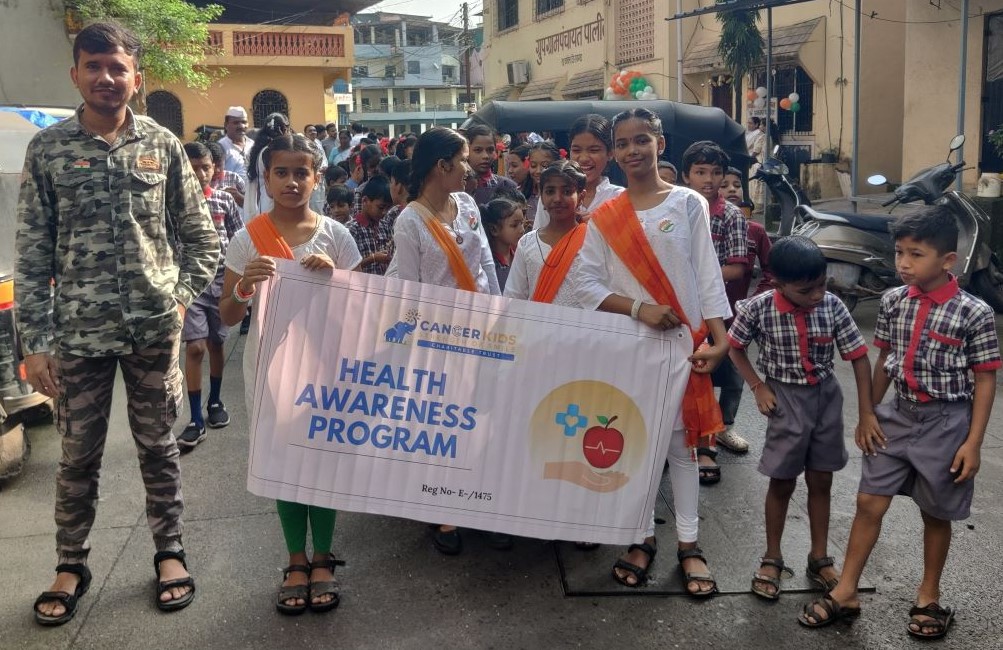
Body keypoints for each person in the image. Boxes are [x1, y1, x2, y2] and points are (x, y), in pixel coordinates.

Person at [16, 22, 220, 625]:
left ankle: (169, 552)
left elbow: (201, 238)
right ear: (75, 73)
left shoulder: (162, 144)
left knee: (159, 447)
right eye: (94, 65)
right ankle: (70, 564)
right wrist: (36, 343)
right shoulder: (48, 149)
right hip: (78, 335)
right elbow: (31, 253)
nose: (106, 77)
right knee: (78, 456)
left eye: (118, 67)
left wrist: (178, 301)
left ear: (137, 77)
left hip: (152, 332)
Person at [799, 206, 1001, 640]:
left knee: (936, 512)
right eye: (899, 253)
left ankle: (929, 596)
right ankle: (846, 590)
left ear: (948, 260)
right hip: (897, 417)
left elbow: (985, 378)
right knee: (868, 503)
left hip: (947, 423)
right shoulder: (893, 301)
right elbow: (885, 360)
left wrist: (973, 443)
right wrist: (868, 413)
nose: (904, 263)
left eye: (916, 254)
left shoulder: (974, 312)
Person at [574, 108, 730, 596]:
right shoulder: (604, 217)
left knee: (682, 449)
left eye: (641, 140)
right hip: (627, 346)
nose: (632, 151)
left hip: (683, 346)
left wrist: (720, 338)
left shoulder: (687, 203)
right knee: (635, 447)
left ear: (659, 144)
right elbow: (585, 284)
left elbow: (706, 273)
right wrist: (639, 308)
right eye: (622, 143)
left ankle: (689, 543)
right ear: (614, 153)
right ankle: (640, 537)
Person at [220, 134, 362, 615]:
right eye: (281, 172)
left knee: (320, 461)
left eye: (302, 172)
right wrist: (244, 285)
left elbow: (362, 312)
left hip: (326, 368)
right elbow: (226, 315)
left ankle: (323, 558)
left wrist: (336, 278)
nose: (291, 181)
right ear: (266, 178)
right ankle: (295, 560)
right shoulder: (248, 239)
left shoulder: (336, 237)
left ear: (316, 178)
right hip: (270, 367)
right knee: (283, 464)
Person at [728, 236, 877, 601]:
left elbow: (859, 357)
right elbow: (734, 348)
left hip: (826, 398)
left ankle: (819, 557)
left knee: (821, 479)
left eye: (822, 284)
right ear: (778, 283)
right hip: (784, 400)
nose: (817, 295)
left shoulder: (832, 306)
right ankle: (772, 557)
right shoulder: (758, 309)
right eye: (806, 290)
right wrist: (758, 387)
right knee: (781, 481)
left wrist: (866, 413)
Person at [384, 127, 504, 554]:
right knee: (441, 425)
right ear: (442, 165)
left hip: (481, 330)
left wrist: (501, 316)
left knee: (482, 419)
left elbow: (486, 264)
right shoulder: (410, 221)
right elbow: (410, 291)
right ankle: (441, 508)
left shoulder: (467, 205)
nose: (469, 168)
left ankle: (479, 501)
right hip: (437, 340)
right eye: (464, 159)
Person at [681, 141, 751, 481]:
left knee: (724, 374)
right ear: (686, 176)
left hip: (718, 310)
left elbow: (737, 268)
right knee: (686, 374)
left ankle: (716, 435)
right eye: (700, 172)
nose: (708, 179)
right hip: (680, 309)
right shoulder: (676, 209)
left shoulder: (731, 215)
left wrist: (694, 278)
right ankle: (683, 439)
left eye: (715, 172)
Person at [177, 142, 244, 449]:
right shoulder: (174, 204)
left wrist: (239, 280)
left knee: (217, 343)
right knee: (195, 348)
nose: (200, 174)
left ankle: (215, 401)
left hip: (221, 282)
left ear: (214, 169)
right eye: (193, 169)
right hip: (190, 284)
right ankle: (194, 418)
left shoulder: (223, 200)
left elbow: (239, 237)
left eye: (205, 167)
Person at [505, 160, 585, 306]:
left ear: (581, 197)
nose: (557, 199)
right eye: (550, 191)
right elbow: (513, 297)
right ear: (541, 196)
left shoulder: (592, 242)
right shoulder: (527, 243)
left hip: (583, 321)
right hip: (535, 321)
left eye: (567, 192)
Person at [534, 115, 623, 231]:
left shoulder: (619, 197)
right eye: (576, 150)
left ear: (610, 153)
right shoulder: (552, 194)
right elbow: (538, 238)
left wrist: (599, 227)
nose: (583, 158)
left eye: (594, 150)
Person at [722, 167, 773, 299]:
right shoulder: (702, 225)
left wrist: (753, 302)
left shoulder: (756, 231)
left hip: (738, 309)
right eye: (724, 185)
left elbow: (773, 272)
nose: (732, 189)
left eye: (737, 185)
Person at [245, 112, 290, 220]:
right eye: (287, 129)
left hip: (263, 200)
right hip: (275, 200)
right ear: (283, 129)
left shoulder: (259, 149)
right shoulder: (274, 152)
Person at [348, 176, 395, 275]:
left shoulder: (385, 226)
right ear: (365, 201)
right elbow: (347, 267)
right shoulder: (352, 229)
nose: (384, 212)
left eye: (388, 208)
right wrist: (373, 259)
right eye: (381, 207)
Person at [465, 124, 518, 206]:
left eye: (490, 150)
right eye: (478, 150)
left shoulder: (507, 186)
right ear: (466, 151)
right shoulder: (455, 187)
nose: (485, 156)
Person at [481, 197, 526, 291]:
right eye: (514, 225)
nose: (522, 230)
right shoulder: (488, 265)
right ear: (494, 229)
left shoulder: (521, 254)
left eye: (522, 223)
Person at [527, 141, 561, 230]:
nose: (538, 171)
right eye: (533, 165)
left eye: (545, 166)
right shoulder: (526, 194)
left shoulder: (559, 197)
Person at [218, 105, 253, 183]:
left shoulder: (253, 145)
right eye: (236, 123)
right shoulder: (221, 146)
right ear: (226, 125)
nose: (241, 126)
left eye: (244, 122)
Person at [207, 141, 246, 210]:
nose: (217, 170)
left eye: (220, 165)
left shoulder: (234, 178)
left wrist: (238, 196)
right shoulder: (202, 181)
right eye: (213, 166)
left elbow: (250, 203)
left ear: (225, 161)